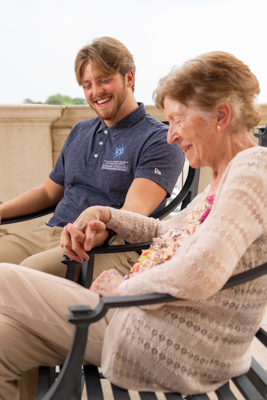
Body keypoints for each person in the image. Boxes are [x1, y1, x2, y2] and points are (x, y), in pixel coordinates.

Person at [0, 51, 267, 400]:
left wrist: (124, 287)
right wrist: (106, 214)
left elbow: (202, 272)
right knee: (3, 339)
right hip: (157, 323)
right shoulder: (225, 178)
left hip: (178, 345)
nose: (171, 136)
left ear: (221, 114)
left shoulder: (250, 173)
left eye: (177, 120)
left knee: (4, 277)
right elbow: (167, 232)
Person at [0, 36, 183, 280]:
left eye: (104, 81)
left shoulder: (158, 139)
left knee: (17, 277)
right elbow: (47, 193)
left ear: (129, 78)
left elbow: (135, 210)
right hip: (52, 233)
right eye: (87, 85)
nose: (96, 92)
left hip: (109, 247)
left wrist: (101, 231)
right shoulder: (80, 131)